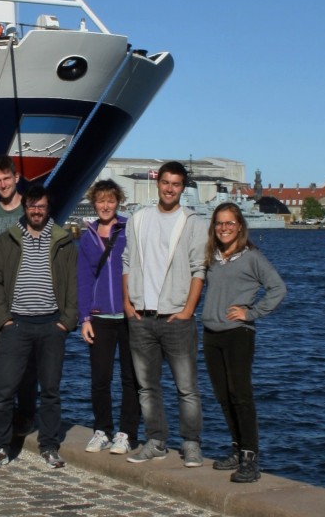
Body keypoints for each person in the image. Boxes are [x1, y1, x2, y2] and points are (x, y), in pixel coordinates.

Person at [0, 183, 77, 470]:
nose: (37, 211)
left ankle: (48, 446)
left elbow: (74, 284)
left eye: (42, 206)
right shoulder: (6, 240)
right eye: (32, 206)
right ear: (25, 208)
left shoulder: (63, 241)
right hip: (16, 325)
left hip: (51, 326)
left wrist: (66, 322)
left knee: (50, 391)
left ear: (48, 208)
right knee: (3, 391)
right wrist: (4, 321)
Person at [122, 161, 205, 467]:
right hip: (142, 317)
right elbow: (127, 262)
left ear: (183, 188)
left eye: (176, 184)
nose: (170, 189)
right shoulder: (139, 219)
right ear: (158, 184)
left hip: (175, 318)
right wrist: (128, 304)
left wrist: (188, 310)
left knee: (187, 387)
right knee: (147, 387)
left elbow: (199, 268)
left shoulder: (192, 222)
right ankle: (155, 440)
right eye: (166, 183)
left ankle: (192, 443)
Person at [202, 201, 286, 484]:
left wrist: (251, 313)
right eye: (219, 223)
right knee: (223, 396)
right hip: (211, 333)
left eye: (229, 223)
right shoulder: (211, 255)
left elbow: (277, 288)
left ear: (239, 226)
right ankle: (237, 449)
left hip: (238, 334)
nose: (224, 228)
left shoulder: (251, 257)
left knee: (241, 395)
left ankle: (251, 457)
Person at [77, 179, 139, 455]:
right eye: (101, 200)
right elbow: (83, 279)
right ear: (94, 203)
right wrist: (84, 318)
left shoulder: (129, 230)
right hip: (100, 317)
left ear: (118, 202)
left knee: (130, 378)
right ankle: (102, 430)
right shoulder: (88, 235)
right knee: (100, 378)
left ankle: (126, 433)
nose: (105, 205)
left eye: (110, 201)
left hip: (128, 316)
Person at [0, 154, 35, 433]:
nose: (2, 184)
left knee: (30, 362)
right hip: (1, 300)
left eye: (6, 178)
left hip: (33, 298)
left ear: (16, 178)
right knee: (4, 362)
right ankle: (4, 419)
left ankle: (26, 415)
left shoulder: (34, 208)